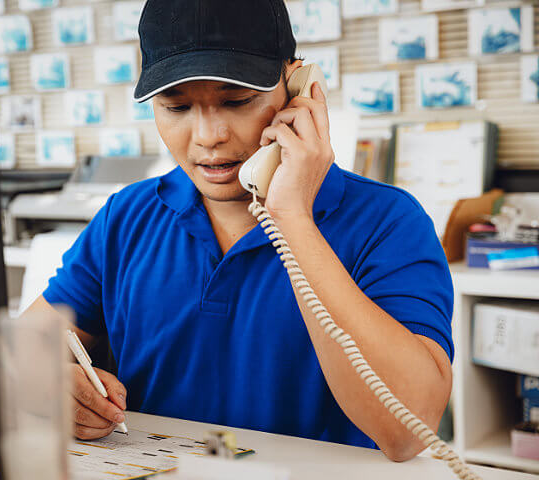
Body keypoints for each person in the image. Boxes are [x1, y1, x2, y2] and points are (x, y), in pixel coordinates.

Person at [23, 0, 454, 462]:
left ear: (299, 88)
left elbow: (408, 431)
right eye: (177, 106)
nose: (208, 136)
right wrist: (49, 387)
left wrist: (293, 220)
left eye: (237, 101)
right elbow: (16, 355)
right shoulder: (127, 217)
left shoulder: (386, 220)